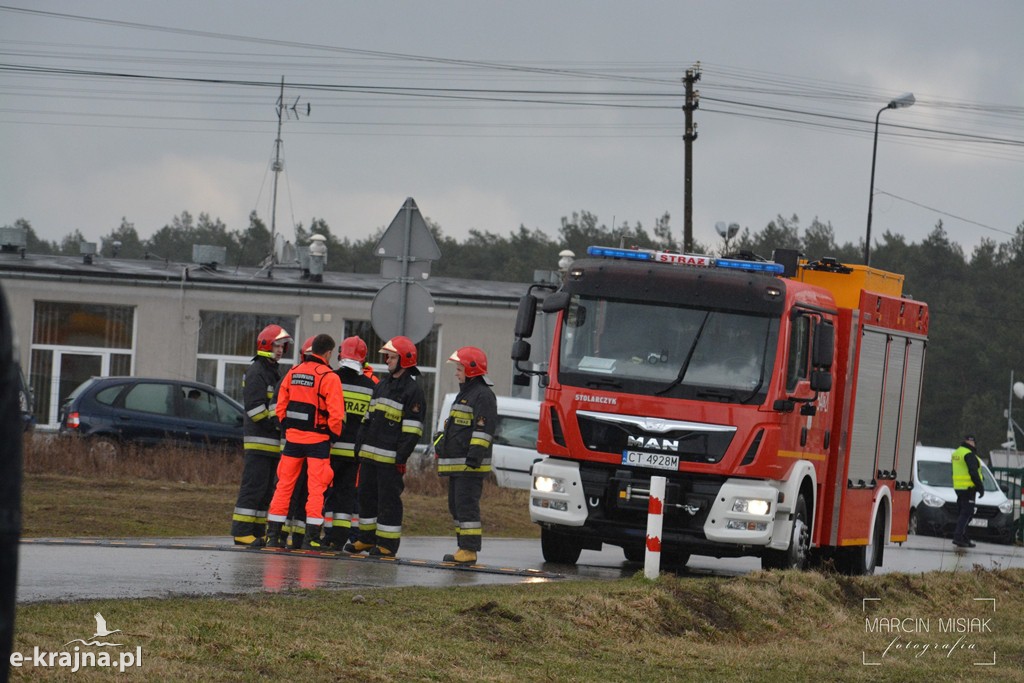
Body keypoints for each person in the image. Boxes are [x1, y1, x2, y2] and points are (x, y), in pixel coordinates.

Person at [345, 336, 426, 558]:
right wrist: (359, 447)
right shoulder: (381, 386)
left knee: (388, 501)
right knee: (365, 497)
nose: (386, 359)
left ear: (404, 359)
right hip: (370, 457)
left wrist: (400, 458)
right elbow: (367, 419)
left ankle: (387, 545)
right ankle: (366, 539)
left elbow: (412, 430)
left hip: (390, 461)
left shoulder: (413, 391)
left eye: (390, 356)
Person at [266, 334, 345, 551]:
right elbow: (337, 415)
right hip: (318, 441)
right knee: (316, 489)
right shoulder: (329, 377)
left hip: (293, 439)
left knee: (283, 486)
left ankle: (273, 536)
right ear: (328, 353)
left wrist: (287, 428)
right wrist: (333, 437)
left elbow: (280, 407)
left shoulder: (292, 373)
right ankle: (311, 538)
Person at [230, 324, 292, 547]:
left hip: (270, 444)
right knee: (253, 487)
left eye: (282, 346)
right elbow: (255, 410)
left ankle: (256, 532)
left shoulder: (271, 370)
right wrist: (277, 426)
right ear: (265, 345)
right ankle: (241, 531)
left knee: (265, 491)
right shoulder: (257, 371)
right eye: (276, 345)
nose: (280, 350)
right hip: (260, 441)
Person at [436, 346, 496, 565]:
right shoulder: (467, 394)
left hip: (470, 466)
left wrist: (474, 458)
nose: (456, 372)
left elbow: (483, 430)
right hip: (459, 465)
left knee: (466, 506)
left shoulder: (483, 396)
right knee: (456, 505)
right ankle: (462, 546)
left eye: (460, 368)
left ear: (471, 369)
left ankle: (469, 550)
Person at [322, 336, 376, 549]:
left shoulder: (330, 378)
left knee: (325, 494)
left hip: (329, 449)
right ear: (363, 360)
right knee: (346, 497)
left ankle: (324, 535)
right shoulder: (371, 387)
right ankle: (339, 538)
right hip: (354, 453)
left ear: (340, 355)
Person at [951, 434, 984, 548]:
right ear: (972, 443)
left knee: (963, 513)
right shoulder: (969, 454)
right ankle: (958, 537)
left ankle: (963, 537)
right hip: (969, 488)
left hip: (959, 488)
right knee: (967, 514)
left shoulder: (957, 453)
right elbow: (973, 472)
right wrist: (980, 487)